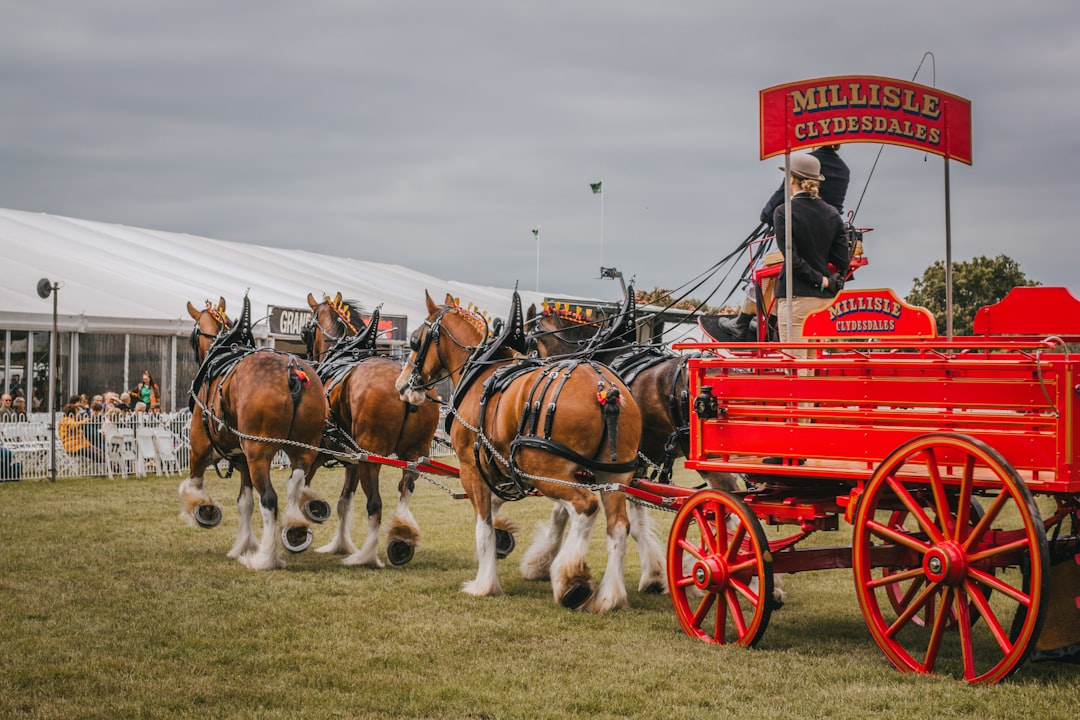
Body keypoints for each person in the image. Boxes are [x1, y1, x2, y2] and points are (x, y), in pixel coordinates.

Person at [717, 145, 851, 339]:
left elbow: (775, 206)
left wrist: (767, 215)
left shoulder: (802, 172)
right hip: (826, 236)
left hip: (799, 231)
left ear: (792, 179)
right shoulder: (843, 170)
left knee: (762, 269)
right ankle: (768, 320)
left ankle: (743, 321)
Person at [771, 152, 850, 349]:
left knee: (797, 366)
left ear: (792, 179)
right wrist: (828, 281)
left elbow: (792, 259)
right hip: (823, 302)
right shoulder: (832, 214)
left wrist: (819, 280)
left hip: (795, 297)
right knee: (814, 364)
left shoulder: (784, 212)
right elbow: (843, 260)